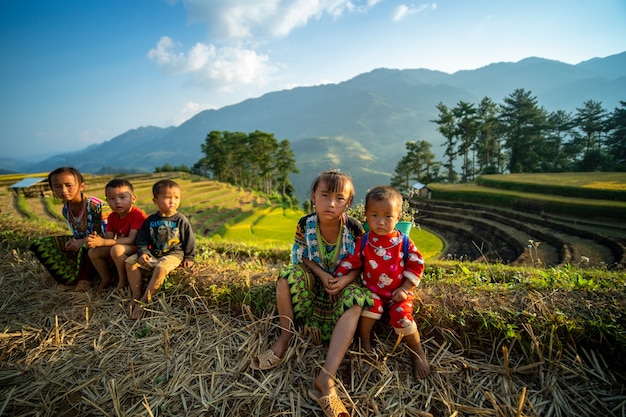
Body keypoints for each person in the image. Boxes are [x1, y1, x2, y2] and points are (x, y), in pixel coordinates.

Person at [252, 169, 373, 417]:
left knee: (357, 301)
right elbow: (302, 257)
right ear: (313, 197)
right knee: (285, 278)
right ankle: (284, 339)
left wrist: (345, 279)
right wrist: (321, 274)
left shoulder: (354, 228)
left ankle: (325, 378)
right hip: (315, 278)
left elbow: (361, 263)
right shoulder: (305, 224)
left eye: (340, 198)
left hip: (343, 283)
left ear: (349, 203)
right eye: (325, 195)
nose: (331, 203)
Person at [335, 185, 431, 380]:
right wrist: (337, 278)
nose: (380, 222)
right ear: (366, 216)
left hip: (398, 294)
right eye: (374, 216)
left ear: (398, 217)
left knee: (403, 317)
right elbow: (351, 261)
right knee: (369, 310)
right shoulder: (364, 241)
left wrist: (405, 289)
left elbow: (416, 266)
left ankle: (418, 352)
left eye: (388, 216)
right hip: (373, 292)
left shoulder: (404, 243)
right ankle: (365, 343)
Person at [125, 179, 195, 319]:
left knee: (160, 268)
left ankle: (144, 301)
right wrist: (143, 252)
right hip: (154, 254)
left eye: (176, 198)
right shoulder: (150, 220)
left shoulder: (181, 219)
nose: (172, 201)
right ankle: (136, 294)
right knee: (130, 262)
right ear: (155, 200)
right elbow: (142, 239)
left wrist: (189, 257)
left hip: (173, 254)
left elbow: (189, 240)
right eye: (167, 197)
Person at [29, 167, 107, 291]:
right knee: (42, 245)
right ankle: (69, 279)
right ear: (52, 189)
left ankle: (85, 279)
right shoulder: (66, 210)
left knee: (89, 245)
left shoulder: (96, 206)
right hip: (84, 245)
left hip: (102, 246)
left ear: (81, 186)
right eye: (58, 186)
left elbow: (109, 236)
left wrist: (82, 241)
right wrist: (73, 242)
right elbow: (76, 233)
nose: (63, 190)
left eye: (68, 185)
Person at [86, 179, 147, 295]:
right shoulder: (112, 216)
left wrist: (103, 242)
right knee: (93, 252)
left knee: (116, 249)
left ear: (133, 198)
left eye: (122, 197)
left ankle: (123, 281)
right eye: (112, 198)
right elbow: (109, 238)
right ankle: (107, 278)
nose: (117, 202)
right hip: (123, 246)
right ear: (107, 200)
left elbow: (131, 239)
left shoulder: (138, 215)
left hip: (138, 247)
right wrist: (97, 240)